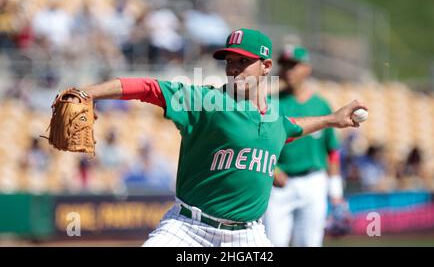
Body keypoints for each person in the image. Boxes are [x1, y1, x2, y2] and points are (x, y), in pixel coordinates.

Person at [64, 28, 367, 247]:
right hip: (188, 229)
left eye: (242, 62)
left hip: (247, 236)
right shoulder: (205, 102)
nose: (234, 69)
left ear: (265, 67)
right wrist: (87, 92)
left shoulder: (275, 118)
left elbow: (294, 127)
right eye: (229, 62)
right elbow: (146, 87)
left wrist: (331, 119)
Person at [264, 46, 344, 247]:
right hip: (278, 185)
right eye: (285, 65)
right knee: (273, 243)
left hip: (313, 181)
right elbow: (257, 143)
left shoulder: (321, 105)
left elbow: (332, 150)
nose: (288, 70)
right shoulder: (269, 103)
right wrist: (272, 169)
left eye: (294, 65)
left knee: (310, 243)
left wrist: (336, 192)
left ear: (307, 68)